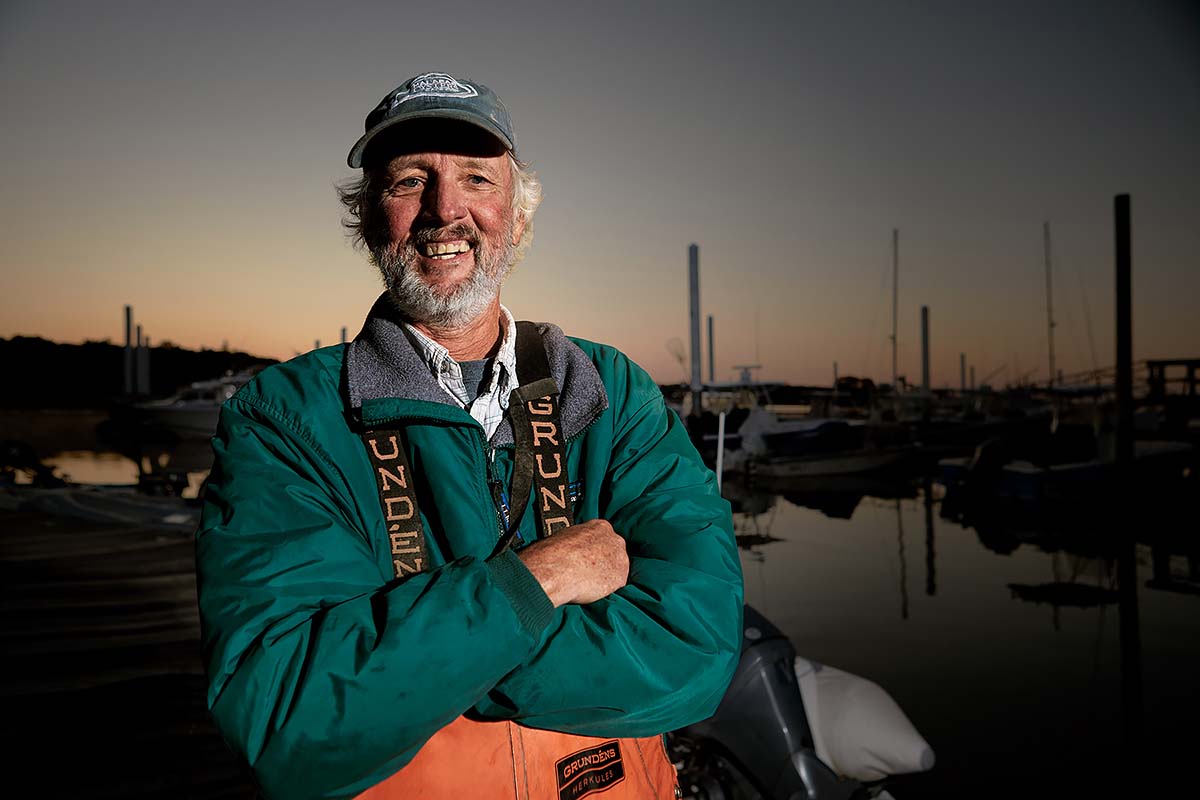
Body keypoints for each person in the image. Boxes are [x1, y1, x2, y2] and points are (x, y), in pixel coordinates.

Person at [195, 71, 743, 800]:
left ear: (516, 217)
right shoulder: (288, 418)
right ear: (368, 220)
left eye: (478, 179)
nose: (445, 210)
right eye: (409, 182)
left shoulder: (611, 392)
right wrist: (536, 583)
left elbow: (696, 649)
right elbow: (290, 718)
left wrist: (413, 664)